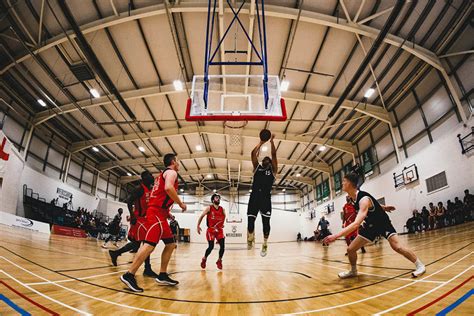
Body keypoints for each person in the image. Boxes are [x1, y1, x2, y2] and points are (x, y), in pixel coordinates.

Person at [323, 172, 426, 279]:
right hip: (370, 226)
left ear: (350, 183)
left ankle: (420, 265)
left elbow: (356, 224)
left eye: (344, 181)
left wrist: (335, 236)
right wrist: (384, 207)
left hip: (382, 224)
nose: (342, 183)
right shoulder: (353, 199)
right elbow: (373, 203)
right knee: (350, 249)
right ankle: (353, 271)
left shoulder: (363, 199)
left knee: (397, 247)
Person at [120, 153, 186, 292]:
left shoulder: (160, 176)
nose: (179, 163)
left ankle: (162, 275)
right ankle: (129, 275)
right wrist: (180, 203)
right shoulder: (172, 172)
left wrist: (167, 212)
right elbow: (168, 188)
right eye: (178, 160)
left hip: (160, 213)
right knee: (149, 245)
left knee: (170, 244)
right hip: (156, 214)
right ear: (173, 162)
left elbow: (159, 195)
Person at [108, 171, 158, 278]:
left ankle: (115, 253)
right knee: (147, 243)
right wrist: (132, 215)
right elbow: (129, 201)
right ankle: (147, 269)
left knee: (140, 244)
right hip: (138, 219)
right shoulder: (139, 189)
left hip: (145, 219)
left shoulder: (150, 189)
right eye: (150, 175)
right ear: (145, 178)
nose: (152, 177)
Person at [247, 133, 278, 257]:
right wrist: (261, 142)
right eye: (264, 159)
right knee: (250, 223)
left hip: (265, 198)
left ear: (270, 163)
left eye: (268, 159)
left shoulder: (273, 170)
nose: (266, 159)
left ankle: (265, 243)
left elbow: (274, 155)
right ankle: (250, 237)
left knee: (266, 225)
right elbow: (252, 154)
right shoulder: (257, 168)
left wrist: (271, 142)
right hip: (254, 197)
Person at [197, 194, 226, 270]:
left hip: (219, 230)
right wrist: (198, 226)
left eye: (219, 198)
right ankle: (204, 258)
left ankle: (219, 260)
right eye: (217, 198)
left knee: (222, 246)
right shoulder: (209, 208)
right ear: (213, 200)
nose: (218, 199)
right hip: (211, 230)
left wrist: (222, 224)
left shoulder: (222, 209)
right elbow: (201, 216)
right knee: (211, 247)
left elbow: (224, 216)